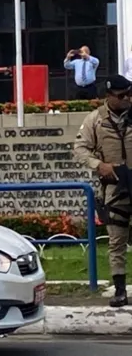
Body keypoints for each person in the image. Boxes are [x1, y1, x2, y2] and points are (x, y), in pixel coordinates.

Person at [74, 75, 132, 307]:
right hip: (116, 186)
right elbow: (80, 149)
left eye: (129, 94)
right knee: (117, 240)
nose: (127, 98)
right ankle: (119, 290)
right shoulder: (95, 120)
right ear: (109, 96)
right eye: (122, 95)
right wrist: (100, 166)